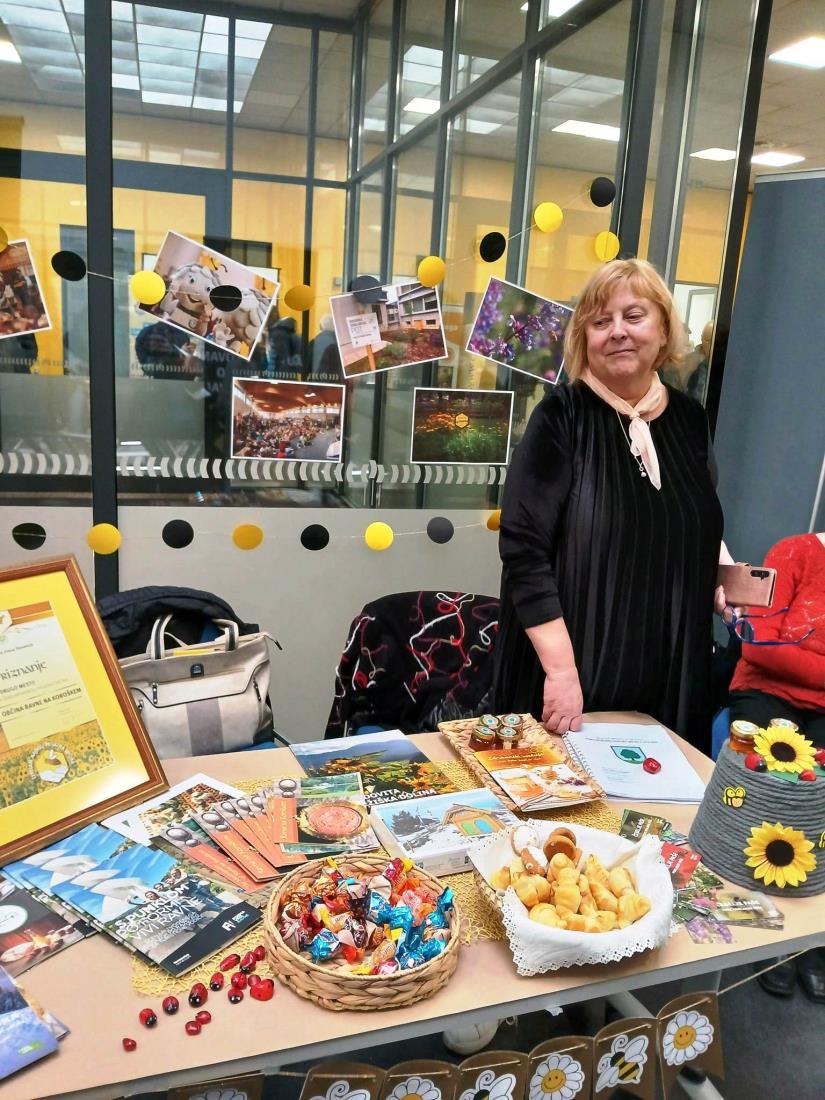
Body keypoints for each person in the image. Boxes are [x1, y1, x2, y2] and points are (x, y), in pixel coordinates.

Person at [492, 258, 725, 752]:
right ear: (585, 338)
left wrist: (721, 572)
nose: (618, 331)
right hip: (574, 678)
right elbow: (523, 553)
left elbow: (694, 516)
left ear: (663, 329)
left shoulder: (690, 420)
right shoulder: (561, 417)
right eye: (601, 321)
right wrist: (561, 673)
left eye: (633, 316)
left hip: (669, 672)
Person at [726, 531, 825, 1002]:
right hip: (767, 690)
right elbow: (758, 644)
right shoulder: (796, 552)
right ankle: (767, 924)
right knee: (778, 788)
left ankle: (813, 936)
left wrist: (801, 657)